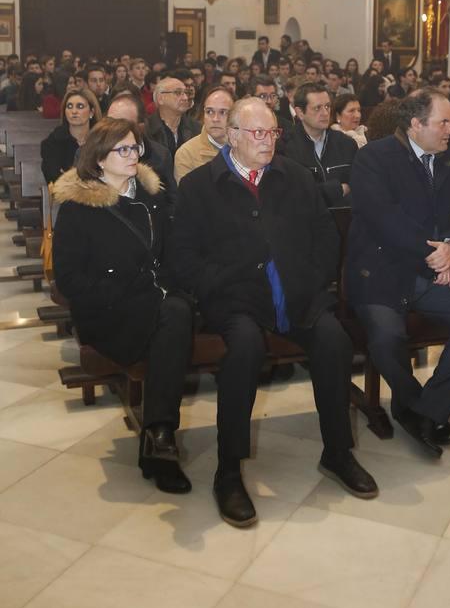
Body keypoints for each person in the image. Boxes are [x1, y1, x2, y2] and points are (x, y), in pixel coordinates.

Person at [170, 97, 378, 527]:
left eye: (273, 132)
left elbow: (325, 236)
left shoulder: (294, 177)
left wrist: (312, 278)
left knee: (334, 340)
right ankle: (228, 471)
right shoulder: (198, 187)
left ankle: (337, 453)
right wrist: (226, 281)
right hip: (236, 300)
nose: (268, 141)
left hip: (298, 296)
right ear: (232, 136)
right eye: (258, 133)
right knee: (244, 349)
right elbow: (184, 258)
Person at [346, 88, 450, 456]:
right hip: (381, 272)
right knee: (385, 339)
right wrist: (435, 257)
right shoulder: (373, 158)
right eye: (443, 122)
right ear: (416, 125)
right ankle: (414, 404)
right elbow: (385, 220)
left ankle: (427, 410)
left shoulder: (449, 162)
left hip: (433, 270)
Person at [52, 118, 193, 492]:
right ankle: (160, 436)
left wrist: (166, 285)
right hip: (108, 312)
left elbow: (172, 253)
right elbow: (68, 279)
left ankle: (159, 434)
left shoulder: (151, 197)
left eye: (136, 148)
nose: (134, 156)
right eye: (124, 149)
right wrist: (124, 287)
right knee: (175, 317)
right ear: (99, 159)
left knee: (177, 313)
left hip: (155, 304)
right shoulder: (78, 208)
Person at [281, 83, 357, 207]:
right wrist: (337, 189)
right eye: (317, 108)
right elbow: (293, 194)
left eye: (327, 106)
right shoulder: (285, 145)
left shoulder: (347, 144)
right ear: (300, 112)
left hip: (343, 219)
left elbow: (358, 185)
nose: (325, 113)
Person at [107, 92, 178, 217]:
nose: (114, 128)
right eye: (110, 121)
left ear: (141, 126)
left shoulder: (160, 155)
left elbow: (171, 202)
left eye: (123, 123)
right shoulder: (90, 152)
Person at [41, 87, 101, 184]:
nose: (74, 111)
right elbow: (54, 179)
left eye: (80, 106)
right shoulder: (53, 143)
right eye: (69, 106)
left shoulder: (101, 140)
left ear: (91, 112)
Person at [174, 86, 234, 182]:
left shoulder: (246, 147)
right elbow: (188, 195)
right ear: (203, 114)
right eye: (209, 112)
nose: (215, 119)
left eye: (223, 112)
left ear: (234, 115)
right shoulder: (187, 153)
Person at [145, 77, 200, 159]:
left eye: (186, 93)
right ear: (160, 99)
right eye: (178, 93)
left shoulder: (196, 128)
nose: (185, 98)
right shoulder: (146, 129)